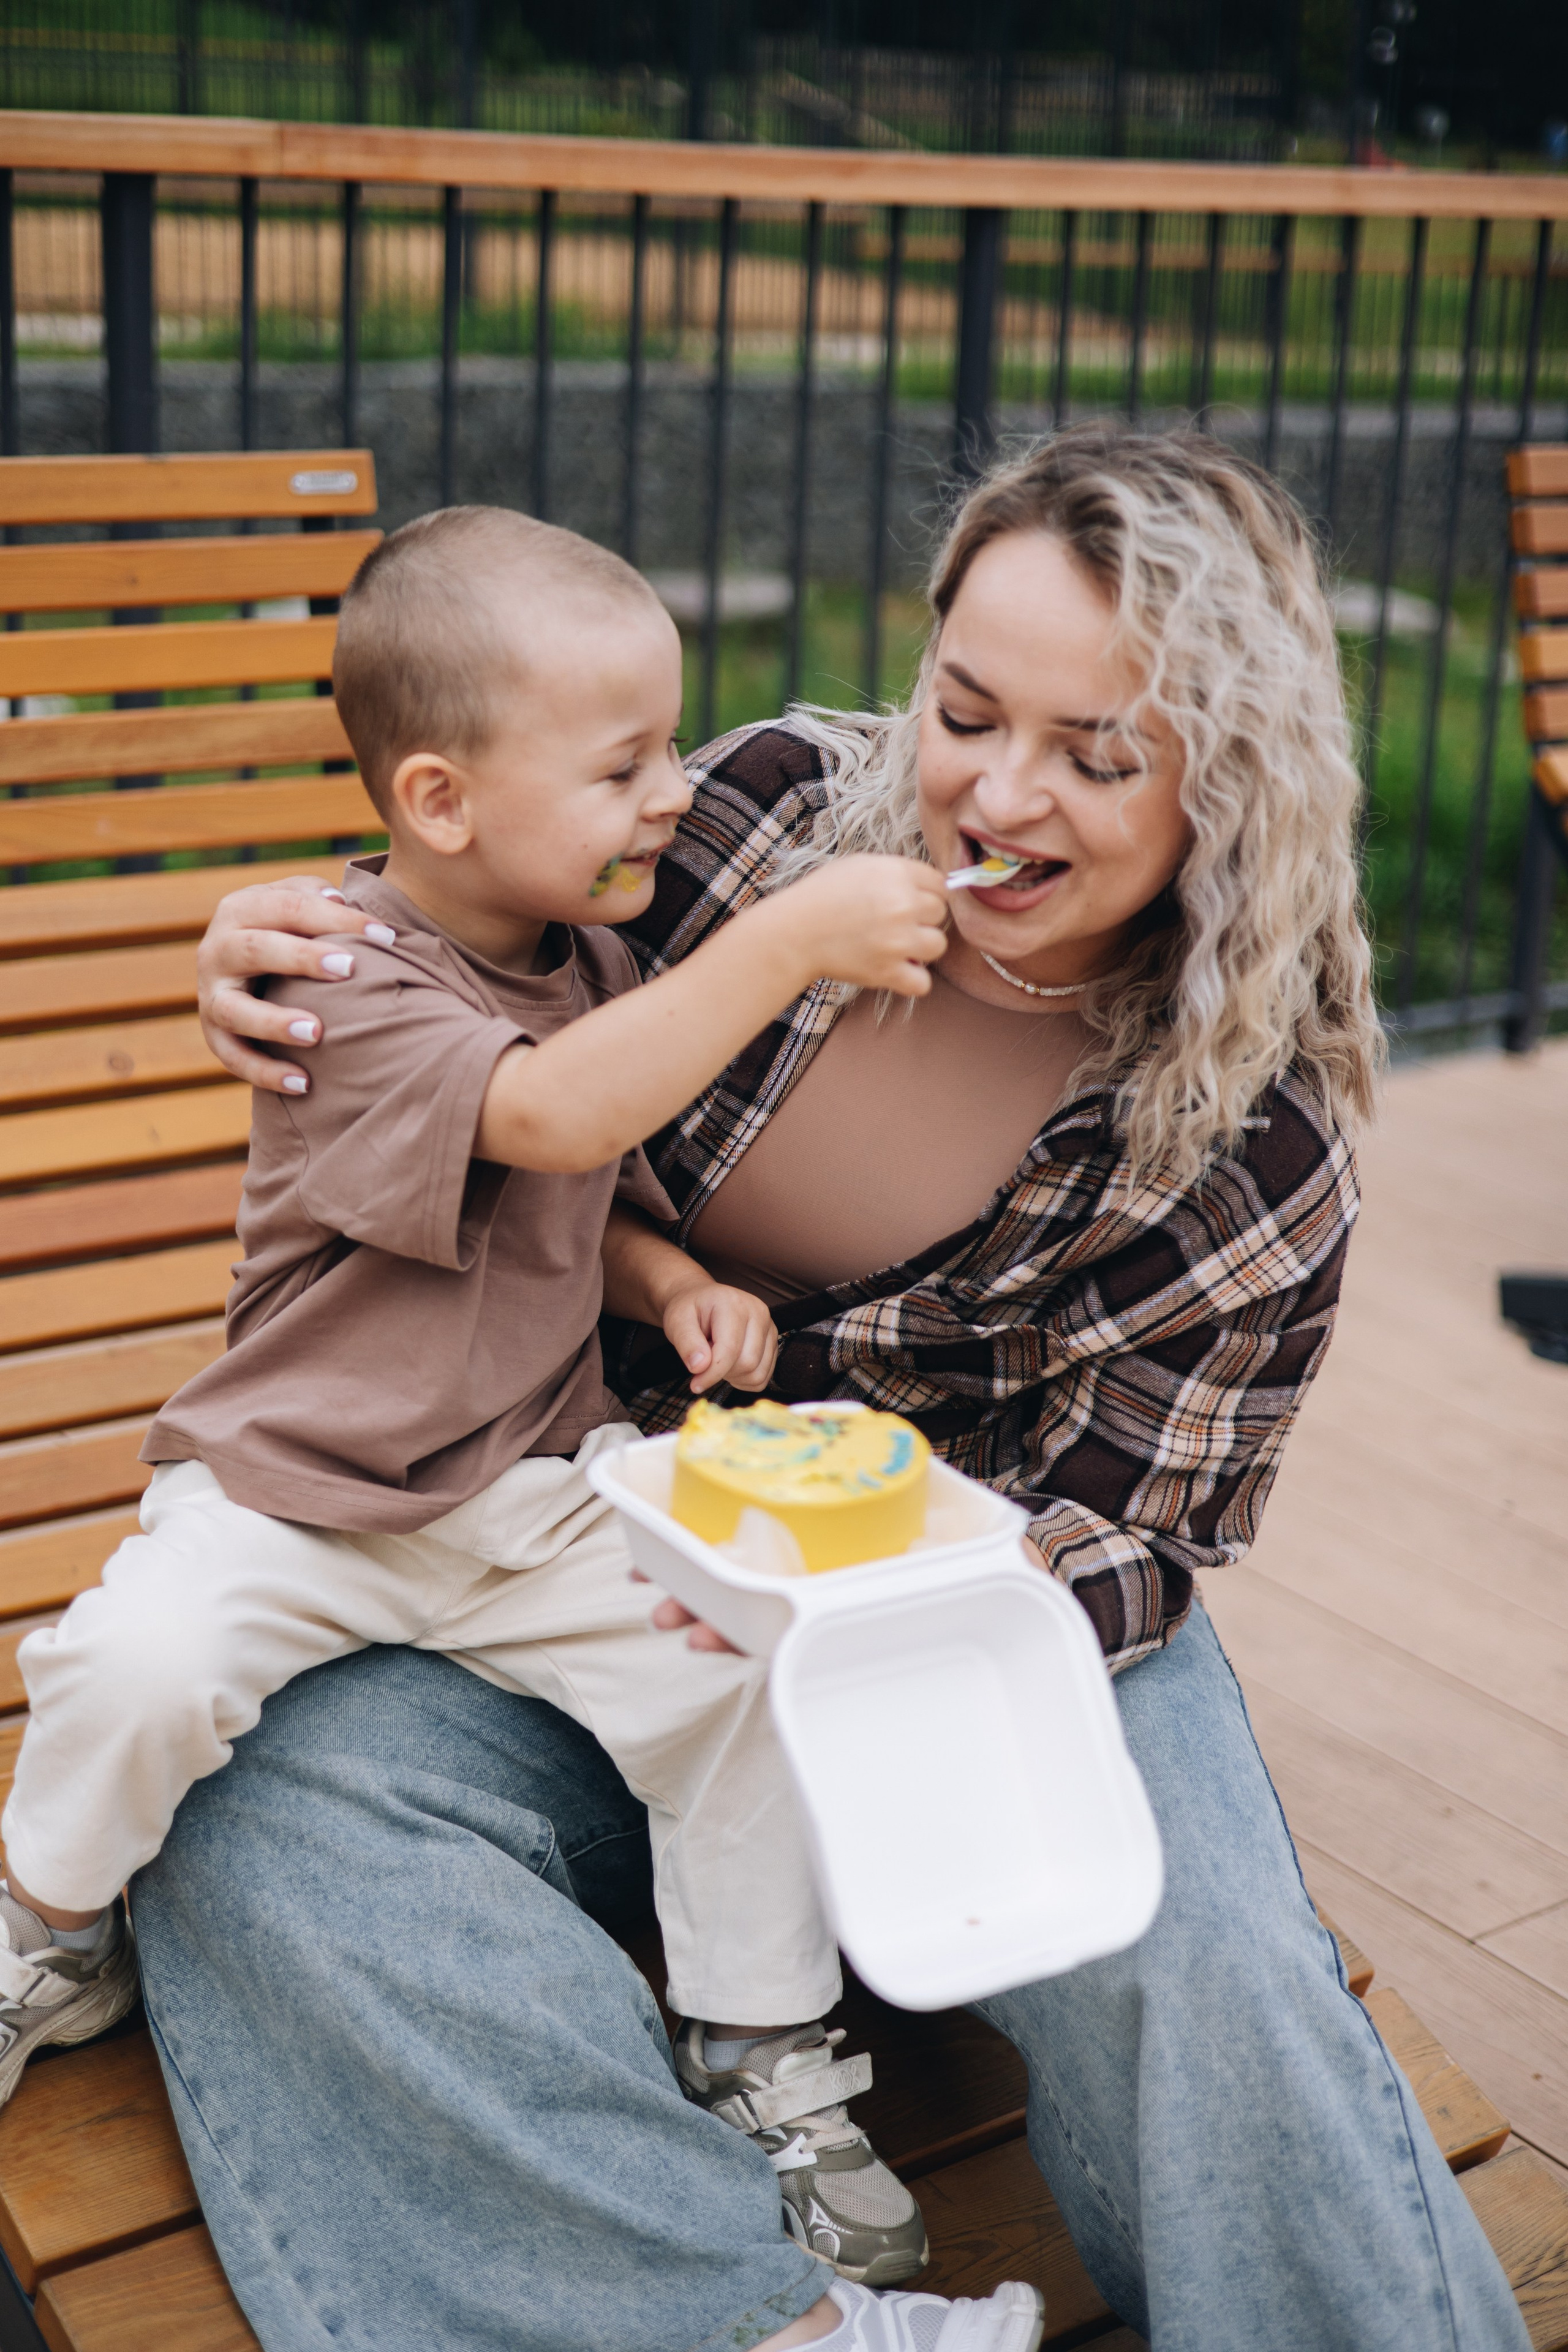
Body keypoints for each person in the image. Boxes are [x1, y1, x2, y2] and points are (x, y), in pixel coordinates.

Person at [121, 426, 1528, 2352]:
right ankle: (759, 2330)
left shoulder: (1256, 1137)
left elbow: (1138, 1532)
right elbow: (466, 937)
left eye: (1098, 754)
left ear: (1235, 777)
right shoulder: (766, 816)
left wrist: (883, 1627)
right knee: (262, 1814)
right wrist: (298, 938)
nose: (998, 795)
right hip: (574, 1557)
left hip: (977, 1622)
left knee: (1203, 1963)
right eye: (967, 711)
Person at [0, 507, 1006, 2325]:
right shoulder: (341, 974)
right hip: (298, 1493)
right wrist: (786, 941)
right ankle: (49, 1926)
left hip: (529, 1486)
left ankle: (758, 2043)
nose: (672, 795)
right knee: (143, 1664)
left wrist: (663, 1282)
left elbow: (559, 1190)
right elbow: (540, 1115)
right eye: (624, 766)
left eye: (672, 751)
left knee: (735, 1664)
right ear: (441, 802)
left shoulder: (588, 960)